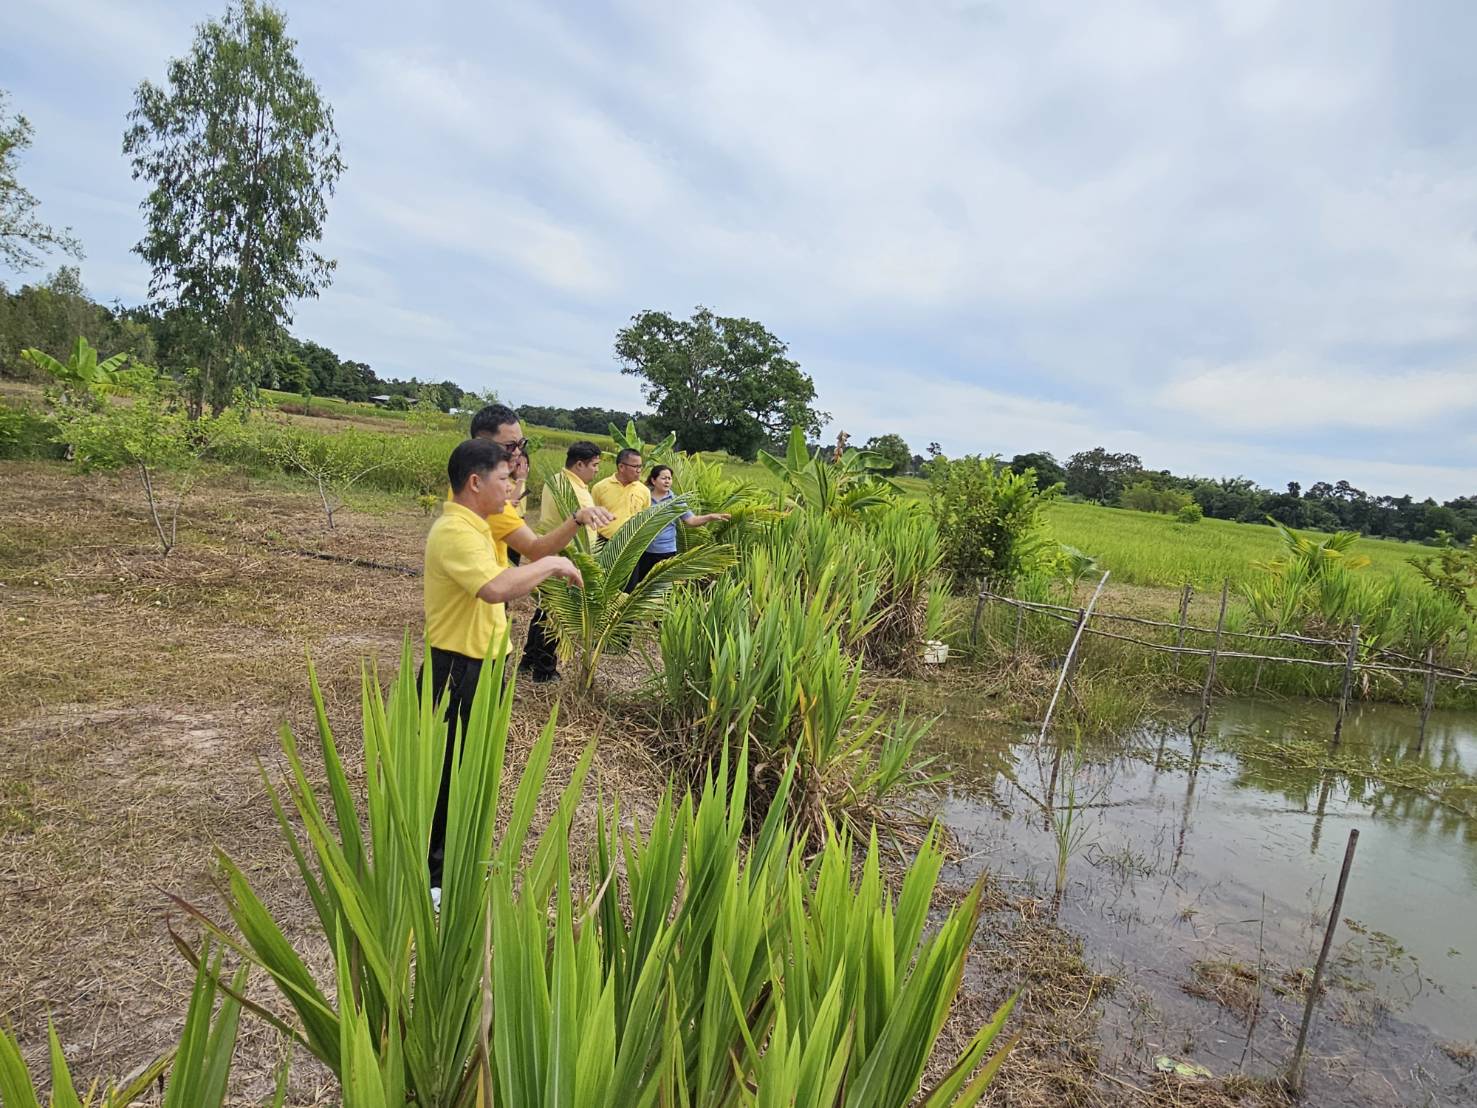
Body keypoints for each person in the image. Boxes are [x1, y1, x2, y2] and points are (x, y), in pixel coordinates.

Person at [422, 438, 583, 897]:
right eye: (504, 479)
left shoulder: (479, 526)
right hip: (458, 669)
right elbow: (495, 587)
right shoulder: (454, 532)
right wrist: (551, 564)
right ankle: (435, 880)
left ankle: (458, 860)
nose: (512, 487)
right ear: (475, 482)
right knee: (448, 770)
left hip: (485, 665)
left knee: (472, 767)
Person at [465, 404, 614, 570]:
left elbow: (533, 549)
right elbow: (494, 587)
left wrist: (577, 519)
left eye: (521, 444)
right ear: (481, 444)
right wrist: (549, 567)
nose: (517, 453)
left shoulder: (492, 498)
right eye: (510, 446)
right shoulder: (482, 502)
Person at [520, 440, 608, 681]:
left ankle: (529, 660)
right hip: (562, 558)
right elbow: (569, 525)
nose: (597, 470)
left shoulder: (570, 483)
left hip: (562, 557)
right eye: (595, 465)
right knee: (554, 616)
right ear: (579, 464)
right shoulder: (565, 486)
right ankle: (544, 671)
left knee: (545, 612)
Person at [630, 464, 731, 587]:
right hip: (643, 550)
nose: (667, 481)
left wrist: (710, 517)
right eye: (663, 478)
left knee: (661, 588)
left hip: (665, 552)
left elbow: (692, 521)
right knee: (640, 587)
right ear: (653, 480)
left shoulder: (676, 501)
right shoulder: (644, 497)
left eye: (669, 478)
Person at [590, 448, 651, 541]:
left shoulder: (644, 491)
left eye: (640, 466)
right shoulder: (599, 488)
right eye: (635, 467)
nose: (639, 471)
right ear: (621, 467)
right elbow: (592, 518)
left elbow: (645, 519)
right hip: (603, 542)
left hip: (632, 544)